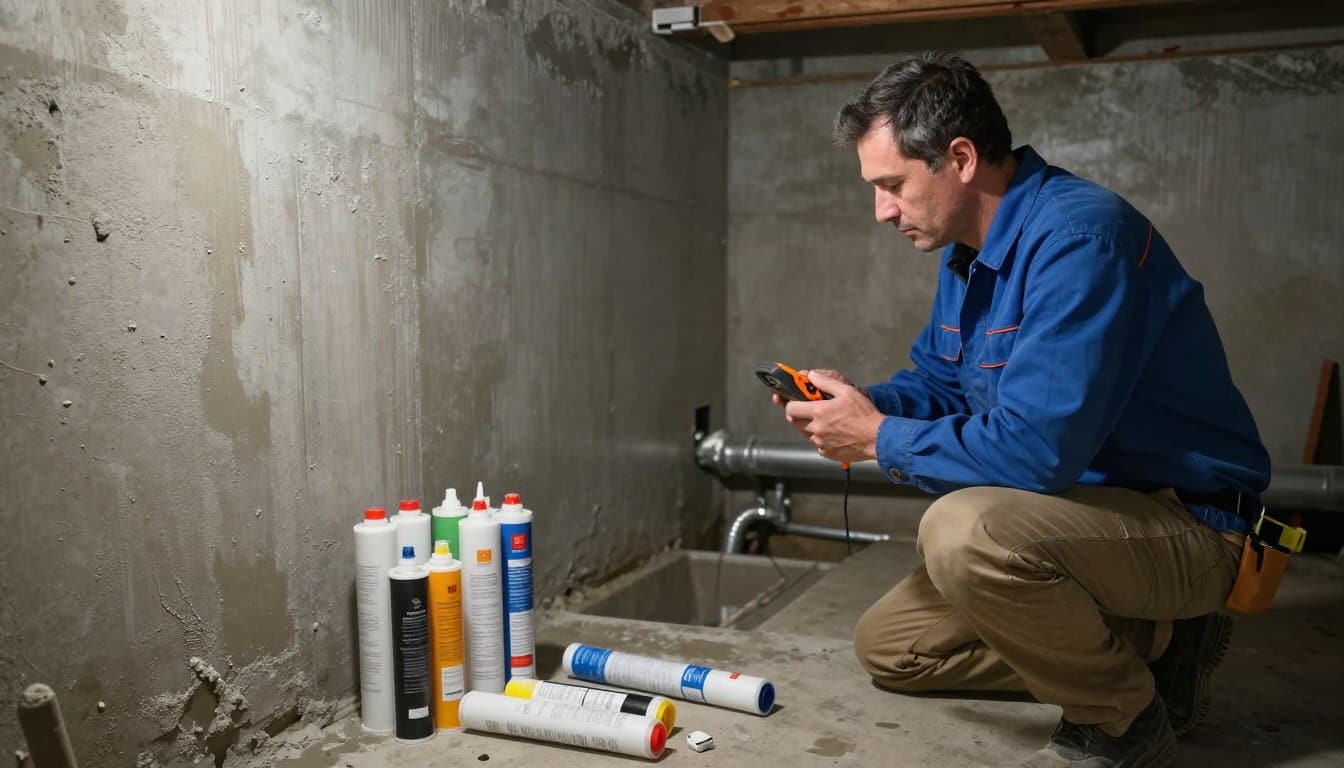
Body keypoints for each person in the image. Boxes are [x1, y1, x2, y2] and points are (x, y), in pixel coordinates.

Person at [773, 52, 1270, 768]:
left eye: (891, 186)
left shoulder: (1082, 240)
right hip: (1087, 521)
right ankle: (1164, 641)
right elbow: (941, 381)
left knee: (962, 531)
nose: (881, 210)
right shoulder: (971, 254)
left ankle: (1124, 721)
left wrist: (878, 439)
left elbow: (1036, 452)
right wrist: (858, 405)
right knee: (892, 648)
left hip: (1189, 523)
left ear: (961, 158)